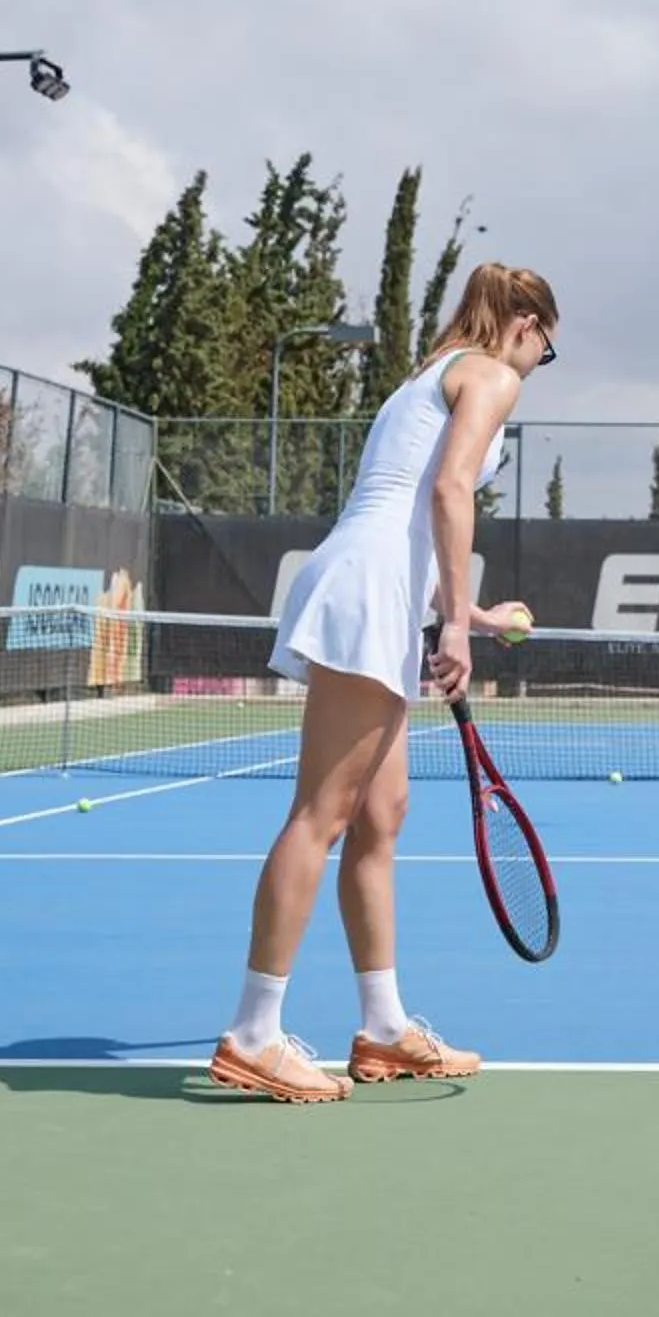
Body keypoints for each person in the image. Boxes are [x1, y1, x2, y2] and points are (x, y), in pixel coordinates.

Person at [208, 264, 556, 1103]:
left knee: (380, 817)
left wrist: (464, 616)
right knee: (320, 815)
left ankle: (384, 1028)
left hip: (379, 587)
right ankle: (253, 1035)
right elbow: (444, 493)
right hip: (369, 594)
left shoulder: (423, 381)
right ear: (524, 325)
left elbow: (407, 516)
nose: (541, 364)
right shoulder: (493, 375)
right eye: (548, 347)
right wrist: (453, 626)